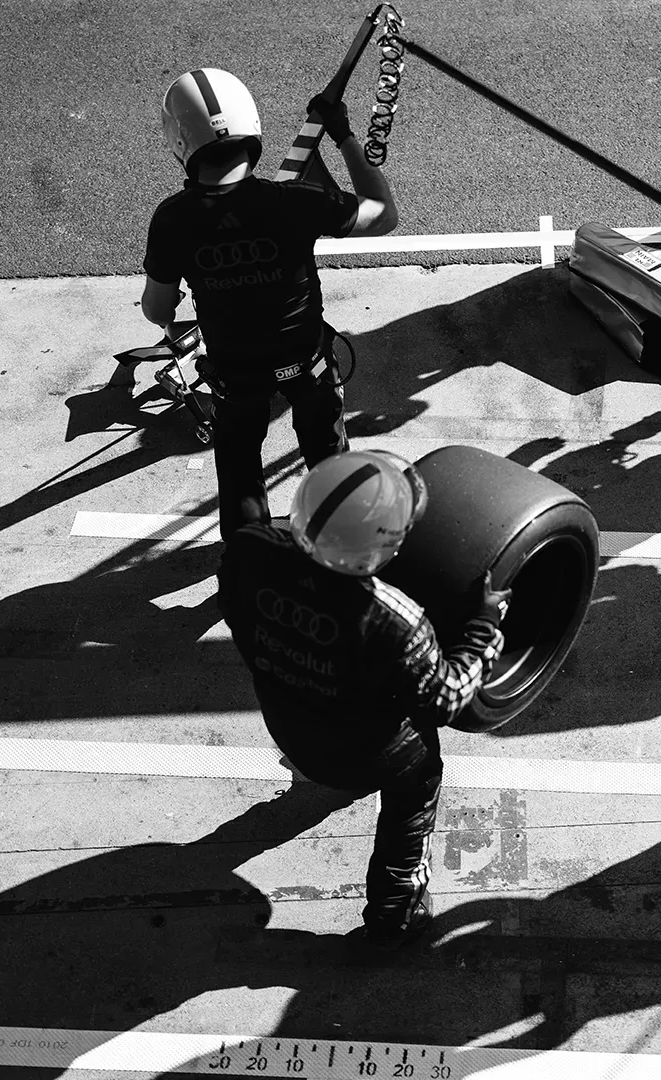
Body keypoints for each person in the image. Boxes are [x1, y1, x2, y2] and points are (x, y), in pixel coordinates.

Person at [217, 449, 512, 950]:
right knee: (418, 782)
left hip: (288, 721)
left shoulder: (248, 550)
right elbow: (446, 700)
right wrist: (484, 628)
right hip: (370, 753)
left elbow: (236, 613)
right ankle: (395, 911)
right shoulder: (397, 620)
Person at [141, 67, 400, 536]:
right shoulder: (296, 201)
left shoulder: (172, 221)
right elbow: (383, 213)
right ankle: (341, 550)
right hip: (308, 362)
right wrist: (341, 133)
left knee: (241, 472)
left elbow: (158, 311)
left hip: (237, 375)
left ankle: (247, 562)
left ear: (178, 142)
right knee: (329, 464)